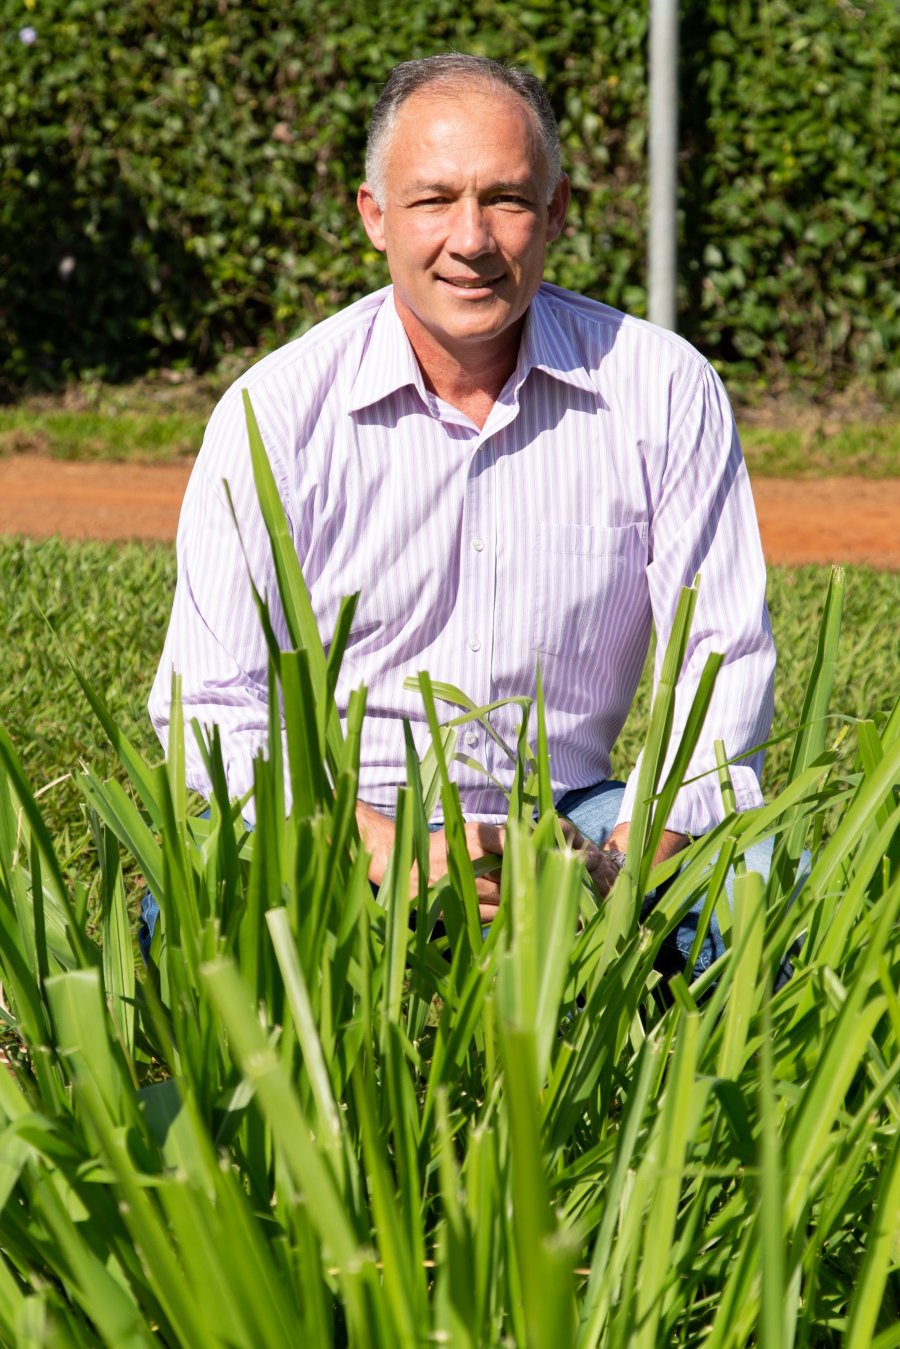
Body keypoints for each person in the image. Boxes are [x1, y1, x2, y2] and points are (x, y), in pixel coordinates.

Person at [147, 54, 776, 973]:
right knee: (203, 911)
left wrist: (618, 864)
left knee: (754, 882)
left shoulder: (661, 386)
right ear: (375, 217)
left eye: (508, 200)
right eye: (434, 200)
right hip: (334, 818)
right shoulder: (275, 412)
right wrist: (383, 849)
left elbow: (725, 662)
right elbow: (208, 705)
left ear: (556, 212)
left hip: (578, 817)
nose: (472, 238)